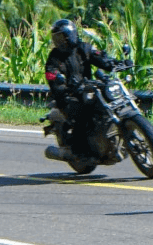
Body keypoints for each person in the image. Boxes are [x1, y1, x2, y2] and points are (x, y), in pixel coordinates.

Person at [44, 18, 117, 161]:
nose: (61, 41)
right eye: (57, 38)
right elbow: (51, 74)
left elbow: (100, 58)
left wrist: (116, 63)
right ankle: (79, 150)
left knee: (108, 100)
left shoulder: (84, 48)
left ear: (72, 35)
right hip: (67, 94)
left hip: (89, 88)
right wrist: (61, 81)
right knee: (80, 112)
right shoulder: (54, 57)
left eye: (63, 37)